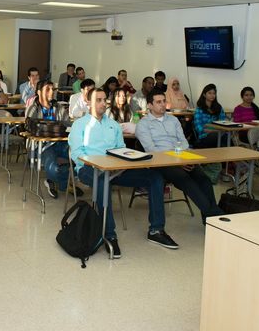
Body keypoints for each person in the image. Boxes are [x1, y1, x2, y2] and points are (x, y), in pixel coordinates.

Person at [69, 88, 179, 258]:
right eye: (98, 100)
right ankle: (109, 235)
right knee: (103, 183)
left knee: (154, 177)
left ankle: (156, 230)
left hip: (116, 169)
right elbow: (76, 154)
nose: (102, 103)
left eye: (104, 99)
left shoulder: (113, 124)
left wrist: (126, 161)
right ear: (89, 103)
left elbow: (121, 149)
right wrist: (97, 164)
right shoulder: (79, 125)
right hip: (89, 168)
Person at [136, 88, 224, 223]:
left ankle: (209, 219)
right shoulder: (143, 124)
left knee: (203, 179)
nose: (163, 104)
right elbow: (152, 150)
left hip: (181, 157)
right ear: (149, 105)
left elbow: (183, 142)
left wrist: (182, 159)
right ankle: (215, 216)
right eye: (158, 102)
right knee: (186, 179)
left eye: (164, 101)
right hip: (160, 162)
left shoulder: (173, 120)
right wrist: (177, 162)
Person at [25, 79, 76, 199]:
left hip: (60, 143)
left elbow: (68, 124)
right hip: (42, 146)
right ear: (38, 92)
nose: (51, 92)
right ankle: (53, 180)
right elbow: (31, 128)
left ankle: (63, 183)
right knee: (53, 168)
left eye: (52, 89)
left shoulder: (58, 107)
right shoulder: (33, 109)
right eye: (47, 89)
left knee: (78, 158)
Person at [193, 83, 226, 148]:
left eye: (214, 93)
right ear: (204, 95)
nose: (212, 95)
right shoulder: (199, 109)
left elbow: (223, 123)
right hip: (204, 136)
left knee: (227, 137)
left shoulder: (219, 107)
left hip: (218, 133)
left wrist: (219, 131)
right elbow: (198, 127)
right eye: (209, 93)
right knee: (215, 136)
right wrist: (213, 131)